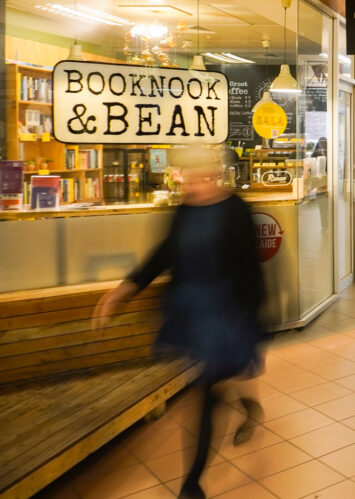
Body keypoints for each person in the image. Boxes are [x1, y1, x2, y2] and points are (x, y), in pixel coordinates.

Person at [92, 145, 267, 499]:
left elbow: (252, 271)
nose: (193, 186)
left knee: (208, 391)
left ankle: (192, 483)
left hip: (227, 314)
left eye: (201, 178)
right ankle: (244, 402)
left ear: (216, 176)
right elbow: (164, 254)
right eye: (188, 178)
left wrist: (254, 318)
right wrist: (124, 289)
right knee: (213, 383)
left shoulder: (237, 212)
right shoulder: (182, 212)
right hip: (192, 313)